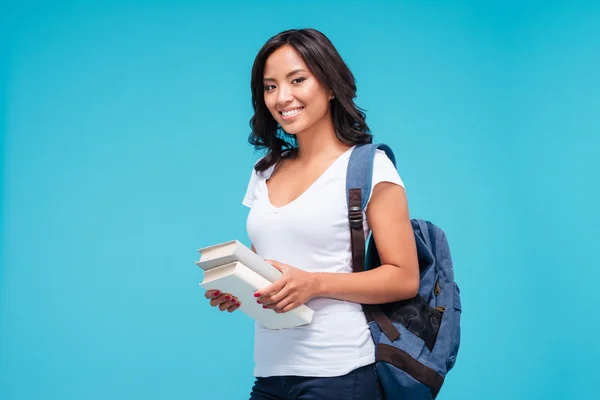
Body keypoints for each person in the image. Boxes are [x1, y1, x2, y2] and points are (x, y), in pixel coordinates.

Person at [204, 28, 420, 400]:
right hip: (271, 373)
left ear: (331, 85)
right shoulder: (264, 171)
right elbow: (273, 264)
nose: (282, 97)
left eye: (297, 80)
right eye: (270, 86)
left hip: (341, 372)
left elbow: (404, 278)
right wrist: (239, 285)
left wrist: (315, 283)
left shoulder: (369, 167)